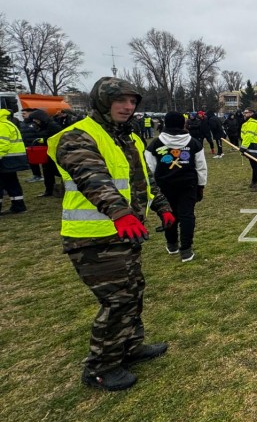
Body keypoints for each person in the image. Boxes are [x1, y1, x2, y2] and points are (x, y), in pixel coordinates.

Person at [47, 77, 175, 391]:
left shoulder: (129, 139)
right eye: (121, 101)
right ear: (103, 101)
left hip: (126, 233)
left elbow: (143, 179)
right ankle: (100, 368)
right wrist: (119, 213)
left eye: (132, 102)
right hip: (93, 236)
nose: (128, 107)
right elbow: (92, 178)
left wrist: (163, 206)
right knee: (117, 300)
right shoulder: (78, 137)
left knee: (133, 291)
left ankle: (128, 346)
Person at [144, 111, 207, 261]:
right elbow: (201, 167)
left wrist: (151, 189)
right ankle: (183, 248)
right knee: (186, 215)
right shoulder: (193, 143)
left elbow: (149, 169)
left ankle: (175, 244)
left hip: (166, 186)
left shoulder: (155, 144)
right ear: (182, 124)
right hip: (187, 185)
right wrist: (201, 185)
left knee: (171, 214)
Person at [0, 108, 29, 214]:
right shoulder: (7, 123)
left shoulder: (2, 125)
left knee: (6, 183)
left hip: (5, 159)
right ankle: (19, 206)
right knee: (11, 182)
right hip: (11, 159)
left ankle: (18, 206)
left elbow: (2, 144)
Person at [28, 109, 63, 198]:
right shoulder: (42, 126)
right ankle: (49, 190)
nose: (34, 121)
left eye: (36, 119)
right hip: (47, 152)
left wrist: (45, 140)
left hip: (55, 151)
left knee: (57, 171)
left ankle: (63, 188)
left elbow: (59, 137)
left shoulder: (53, 125)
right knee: (47, 171)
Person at [240, 108, 257, 191]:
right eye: (244, 113)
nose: (244, 114)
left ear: (251, 113)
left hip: (254, 146)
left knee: (255, 166)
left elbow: (248, 135)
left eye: (246, 113)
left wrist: (243, 147)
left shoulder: (252, 123)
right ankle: (254, 182)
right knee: (254, 165)